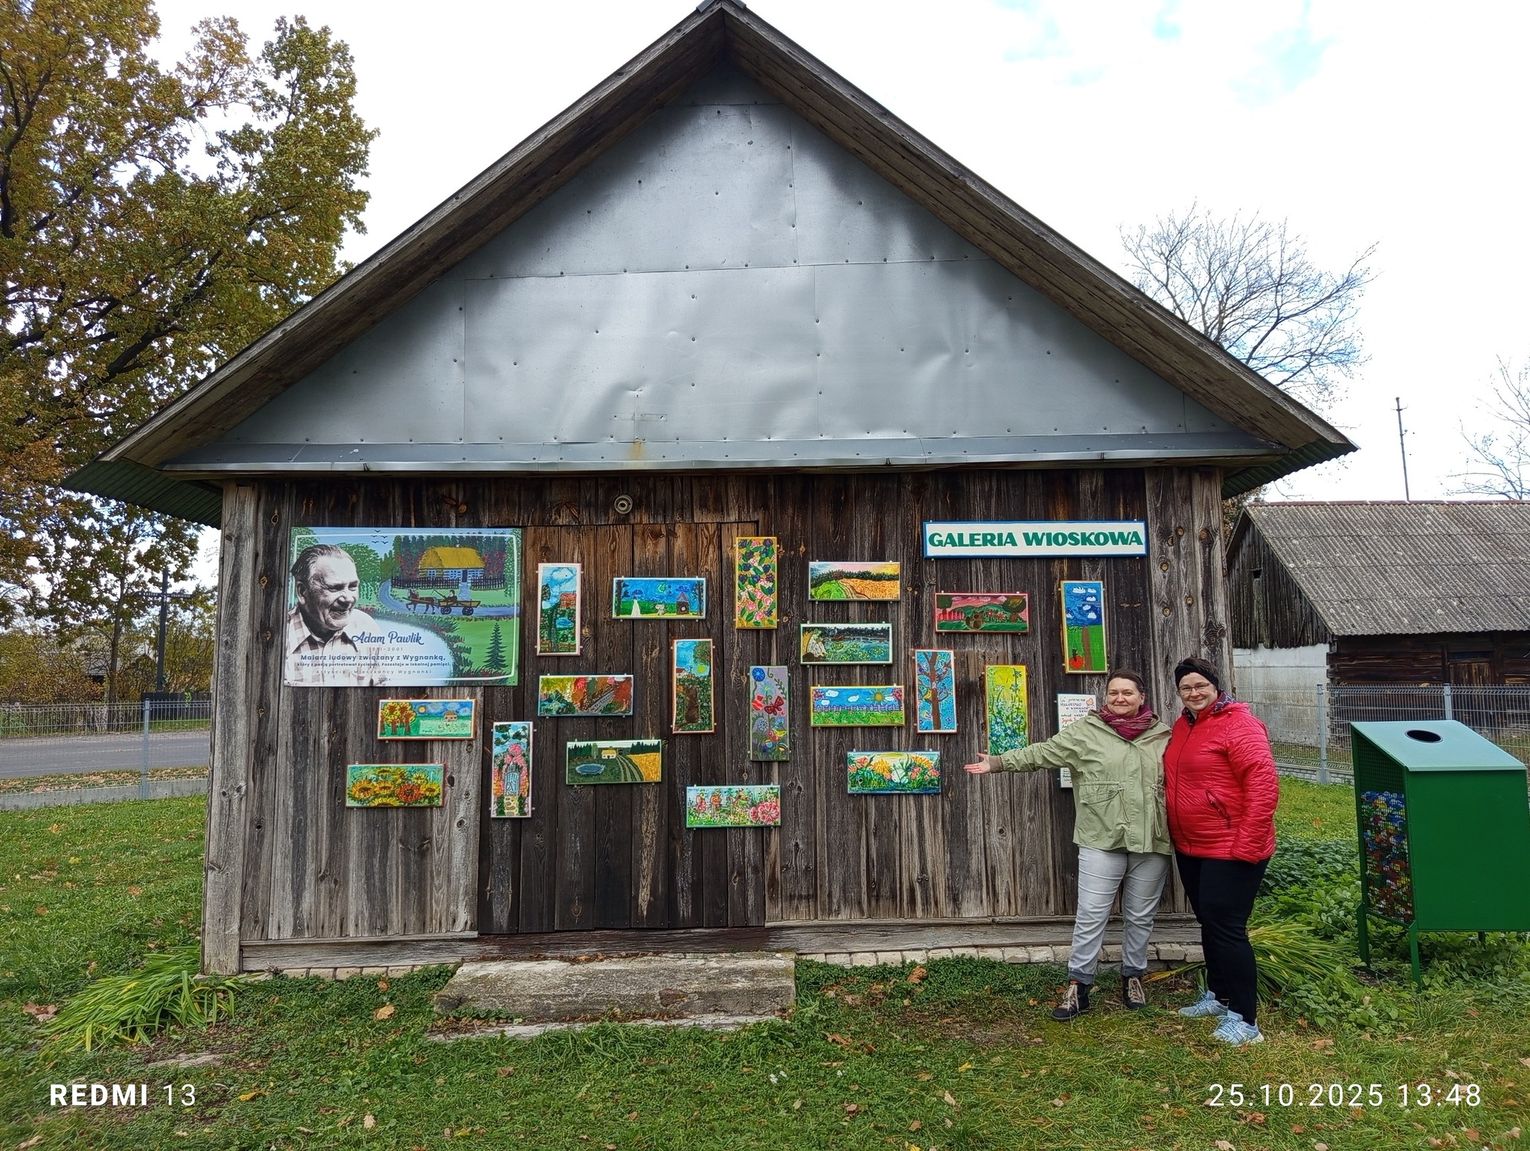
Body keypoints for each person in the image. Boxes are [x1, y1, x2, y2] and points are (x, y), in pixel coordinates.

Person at [965, 669, 1171, 1021]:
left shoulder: (1164, 735)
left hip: (1152, 839)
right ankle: (1079, 985)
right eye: (1113, 693)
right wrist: (998, 763)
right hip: (1101, 838)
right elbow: (1043, 753)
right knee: (1091, 914)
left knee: (1140, 916)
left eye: (1127, 692)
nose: (1120, 698)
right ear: (1106, 697)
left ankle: (1133, 976)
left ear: (1142, 697)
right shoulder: (1086, 732)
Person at [1165, 655, 1279, 1047]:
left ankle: (1245, 1020)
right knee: (1209, 921)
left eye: (1201, 685)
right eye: (1186, 687)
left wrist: (1248, 844)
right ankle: (1219, 995)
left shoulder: (1239, 724)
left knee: (1228, 928)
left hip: (1231, 845)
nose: (1194, 692)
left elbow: (1262, 785)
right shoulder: (1184, 725)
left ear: (1216, 686)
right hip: (1192, 845)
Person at [284, 544, 389, 686]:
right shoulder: (280, 638)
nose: (348, 599)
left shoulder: (367, 628)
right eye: (334, 588)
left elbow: (381, 689)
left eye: (353, 586)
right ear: (302, 592)